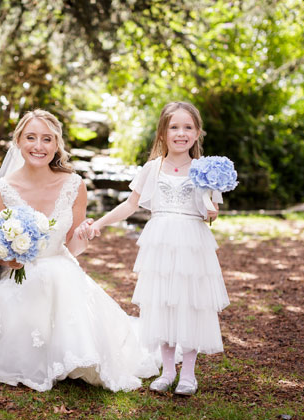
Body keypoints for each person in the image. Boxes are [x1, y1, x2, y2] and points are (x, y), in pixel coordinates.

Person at [0, 109, 159, 392]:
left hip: (63, 270)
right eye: (31, 138)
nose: (39, 146)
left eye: (47, 139)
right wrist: (11, 259)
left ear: (57, 144)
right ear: (19, 142)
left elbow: (72, 247)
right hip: (18, 275)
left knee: (58, 276)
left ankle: (72, 354)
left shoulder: (74, 185)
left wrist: (84, 236)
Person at [78, 101, 230, 396]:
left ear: (197, 133)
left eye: (188, 127)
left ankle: (188, 373)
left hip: (191, 242)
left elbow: (212, 212)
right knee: (163, 301)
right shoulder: (153, 168)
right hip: (160, 241)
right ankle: (168, 369)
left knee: (190, 302)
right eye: (174, 127)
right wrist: (101, 223)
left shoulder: (205, 169)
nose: (181, 133)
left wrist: (211, 208)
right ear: (163, 133)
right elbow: (130, 204)